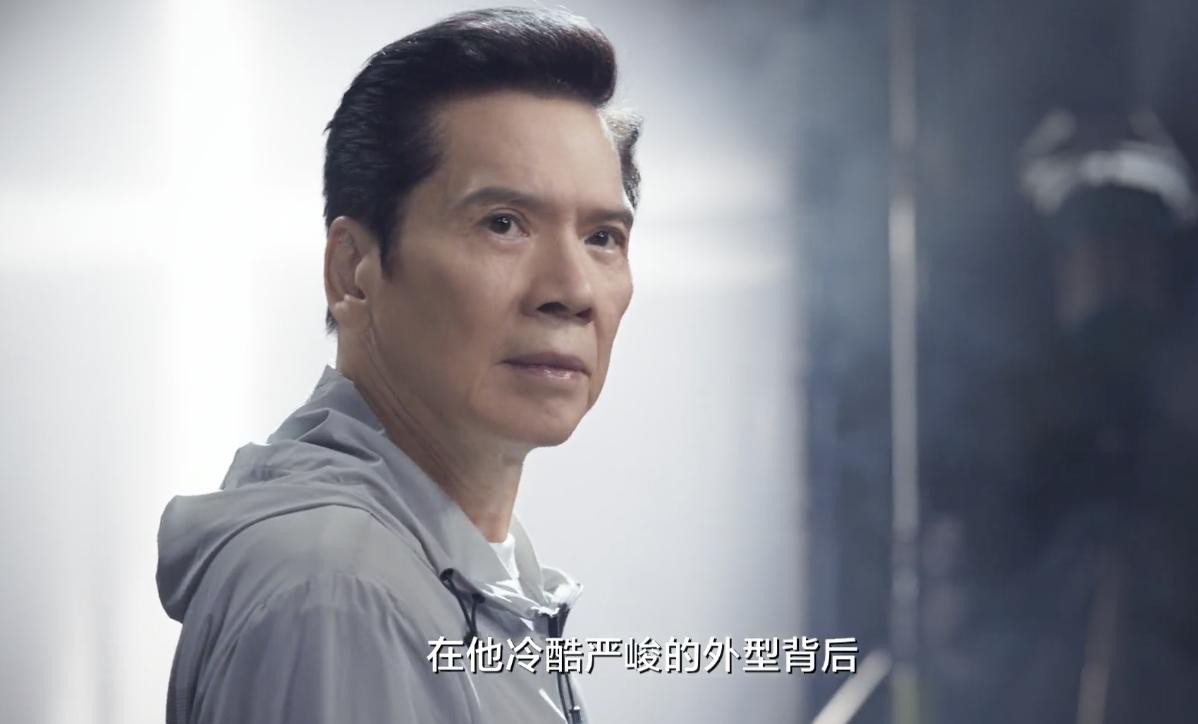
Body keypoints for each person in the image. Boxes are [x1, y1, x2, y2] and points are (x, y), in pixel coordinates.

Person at [156, 7, 643, 723]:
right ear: (353, 273)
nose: (571, 291)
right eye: (503, 224)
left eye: (603, 237)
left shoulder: (455, 566)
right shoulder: (338, 591)